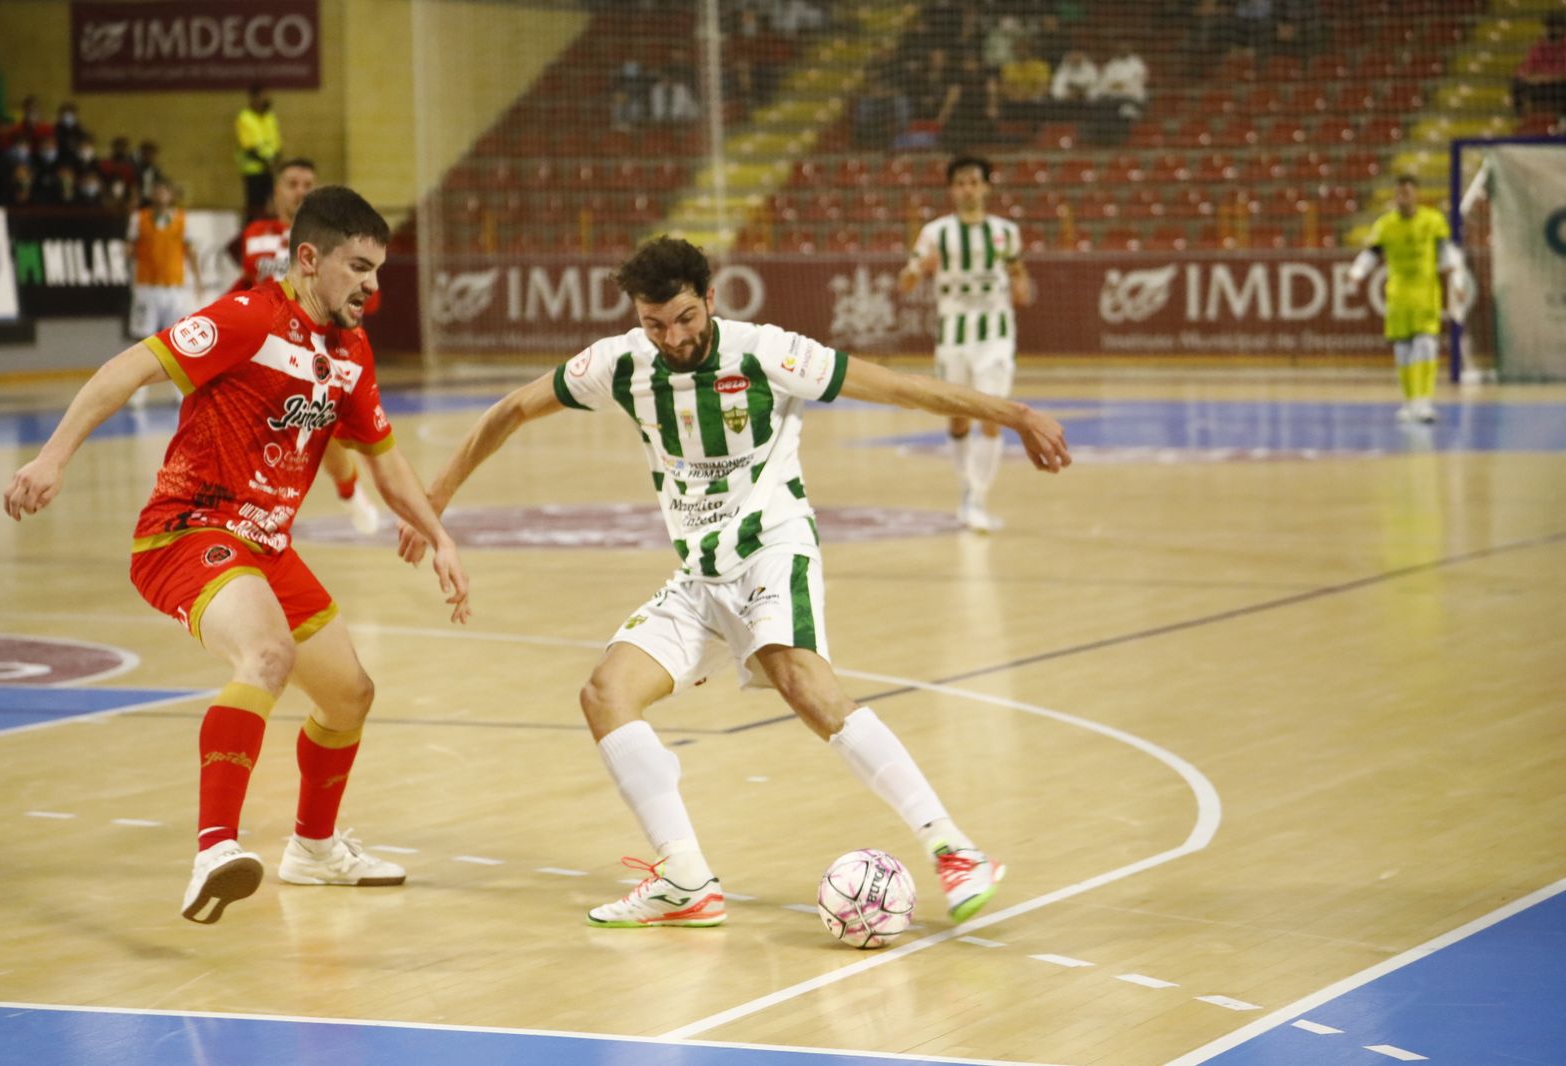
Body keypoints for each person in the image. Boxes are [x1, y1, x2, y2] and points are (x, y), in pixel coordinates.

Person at [400, 236, 1070, 929]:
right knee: (606, 694)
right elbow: (511, 409)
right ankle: (685, 879)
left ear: (711, 299)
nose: (673, 338)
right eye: (655, 323)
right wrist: (435, 499)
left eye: (685, 318)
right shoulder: (622, 363)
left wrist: (1015, 414)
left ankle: (954, 849)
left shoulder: (766, 353)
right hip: (701, 574)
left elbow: (896, 387)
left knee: (804, 684)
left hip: (774, 549)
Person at [3, 186, 472, 925]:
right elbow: (125, 370)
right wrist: (52, 459)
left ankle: (313, 851)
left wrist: (439, 536)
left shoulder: (349, 349)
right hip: (188, 529)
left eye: (378, 271)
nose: (372, 287)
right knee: (267, 657)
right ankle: (214, 849)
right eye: (358, 268)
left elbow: (382, 460)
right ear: (309, 259)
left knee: (350, 695)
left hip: (266, 545)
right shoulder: (248, 319)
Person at [230, 157, 381, 534]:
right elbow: (250, 287)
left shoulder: (335, 241)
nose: (300, 190)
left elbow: (365, 295)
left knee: (327, 434)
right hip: (267, 353)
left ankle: (349, 491)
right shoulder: (256, 236)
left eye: (307, 184)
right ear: (276, 192)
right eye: (292, 183)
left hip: (323, 352)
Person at [897, 156, 1032, 533]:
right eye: (961, 183)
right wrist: (915, 271)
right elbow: (905, 282)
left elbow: (1019, 276)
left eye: (974, 182)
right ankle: (967, 490)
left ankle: (976, 497)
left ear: (986, 187)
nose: (968, 189)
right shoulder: (935, 232)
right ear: (952, 189)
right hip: (954, 336)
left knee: (992, 413)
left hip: (996, 337)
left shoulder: (1006, 232)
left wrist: (1021, 286)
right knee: (958, 416)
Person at [1344, 175, 1470, 424]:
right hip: (1398, 297)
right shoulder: (1386, 225)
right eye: (1399, 194)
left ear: (1416, 195)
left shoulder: (1432, 221)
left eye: (1407, 193)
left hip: (1426, 294)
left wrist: (1457, 284)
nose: (1403, 198)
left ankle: (1425, 402)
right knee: (1403, 351)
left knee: (1426, 345)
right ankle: (1409, 402)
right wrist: (1356, 274)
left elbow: (1448, 255)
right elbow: (1372, 253)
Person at [127, 179, 203, 341]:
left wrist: (198, 280)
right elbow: (130, 249)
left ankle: (169, 367)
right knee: (143, 337)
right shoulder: (139, 218)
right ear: (151, 195)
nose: (160, 194)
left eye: (164, 191)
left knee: (176, 336)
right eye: (157, 191)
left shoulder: (182, 220)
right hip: (146, 285)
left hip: (173, 286)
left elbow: (191, 252)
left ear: (171, 195)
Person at [235, 84, 281, 221]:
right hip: (253, 171)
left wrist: (276, 161)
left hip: (270, 170)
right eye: (263, 96)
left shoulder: (270, 117)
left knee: (272, 205)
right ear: (254, 98)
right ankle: (251, 230)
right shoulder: (245, 118)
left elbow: (276, 142)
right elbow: (249, 147)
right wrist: (267, 163)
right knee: (255, 206)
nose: (267, 99)